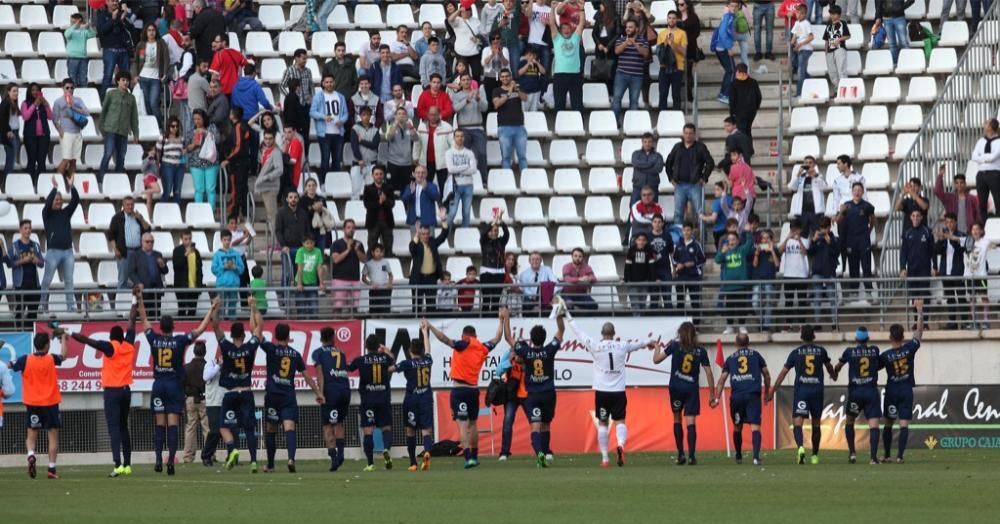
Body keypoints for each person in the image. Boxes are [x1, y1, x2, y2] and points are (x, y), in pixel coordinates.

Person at [54, 305, 138, 477]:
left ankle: (117, 465)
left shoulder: (110, 347)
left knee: (113, 428)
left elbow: (87, 341)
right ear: (122, 337)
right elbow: (132, 322)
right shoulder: (128, 345)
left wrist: (68, 332)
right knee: (123, 427)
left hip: (112, 392)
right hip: (126, 390)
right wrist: (134, 300)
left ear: (111, 337)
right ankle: (128, 464)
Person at [139, 293, 216, 475]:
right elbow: (200, 329)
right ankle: (171, 461)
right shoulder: (179, 341)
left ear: (160, 327)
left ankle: (158, 458)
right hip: (173, 386)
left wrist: (140, 299)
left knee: (159, 425)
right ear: (173, 328)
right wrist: (211, 310)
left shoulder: (154, 339)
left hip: (158, 385)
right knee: (173, 424)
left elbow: (143, 319)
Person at [567, 315, 657, 467]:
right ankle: (621, 444)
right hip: (618, 392)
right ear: (613, 334)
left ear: (602, 334)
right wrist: (650, 342)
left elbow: (579, 333)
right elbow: (639, 344)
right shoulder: (622, 346)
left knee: (603, 423)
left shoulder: (595, 345)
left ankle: (605, 458)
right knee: (620, 421)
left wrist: (569, 318)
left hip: (602, 392)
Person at [426, 310, 506, 468]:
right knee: (473, 424)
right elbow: (497, 339)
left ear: (465, 335)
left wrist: (430, 327)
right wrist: (501, 321)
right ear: (475, 335)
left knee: (462, 425)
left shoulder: (463, 344)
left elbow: (445, 339)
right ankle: (475, 456)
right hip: (473, 390)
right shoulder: (482, 347)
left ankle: (468, 457)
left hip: (459, 390)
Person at [502, 307, 565, 467]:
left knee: (535, 426)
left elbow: (508, 337)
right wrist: (558, 314)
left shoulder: (526, 352)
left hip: (533, 395)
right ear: (544, 339)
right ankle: (545, 452)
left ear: (531, 339)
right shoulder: (549, 350)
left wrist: (506, 318)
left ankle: (540, 453)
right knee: (546, 424)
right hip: (548, 393)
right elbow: (561, 330)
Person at [768, 325, 836, 465]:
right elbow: (829, 368)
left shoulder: (796, 353)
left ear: (801, 337)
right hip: (817, 391)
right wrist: (834, 375)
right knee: (816, 424)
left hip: (802, 391)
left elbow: (783, 373)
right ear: (814, 336)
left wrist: (773, 390)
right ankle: (815, 456)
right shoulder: (821, 351)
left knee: (797, 422)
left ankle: (800, 448)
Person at [261, 322, 323, 473]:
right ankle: (291, 459)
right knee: (289, 427)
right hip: (288, 396)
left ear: (275, 336)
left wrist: (254, 310)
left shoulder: (271, 349)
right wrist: (318, 393)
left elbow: (256, 334)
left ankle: (270, 465)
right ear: (289, 337)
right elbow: (307, 376)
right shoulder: (295, 354)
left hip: (273, 395)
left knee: (271, 429)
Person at [212, 296, 263, 472]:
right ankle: (254, 461)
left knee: (224, 426)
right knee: (250, 429)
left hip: (231, 392)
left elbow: (215, 326)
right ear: (243, 334)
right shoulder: (250, 348)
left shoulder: (226, 347)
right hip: (247, 392)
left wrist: (216, 308)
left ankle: (232, 449)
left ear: (232, 335)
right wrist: (253, 307)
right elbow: (259, 329)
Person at [652, 321, 715, 465]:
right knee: (691, 421)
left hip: (676, 388)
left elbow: (656, 360)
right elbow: (709, 373)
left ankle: (680, 455)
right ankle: (692, 456)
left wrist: (656, 347)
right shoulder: (701, 351)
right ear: (694, 335)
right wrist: (712, 394)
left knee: (677, 419)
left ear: (680, 333)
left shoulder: (674, 346)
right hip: (691, 389)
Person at [9, 331, 66, 478]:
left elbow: (8, 365)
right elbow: (64, 356)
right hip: (50, 403)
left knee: (31, 434)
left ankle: (31, 455)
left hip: (32, 403)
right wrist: (65, 338)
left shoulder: (25, 360)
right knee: (53, 436)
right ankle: (51, 470)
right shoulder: (51, 359)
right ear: (47, 345)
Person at [711, 333, 770, 465]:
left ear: (736, 344)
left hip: (737, 397)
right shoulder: (756, 355)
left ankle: (738, 455)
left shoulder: (731, 358)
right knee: (755, 427)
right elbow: (766, 374)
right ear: (748, 342)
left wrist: (717, 398)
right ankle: (755, 457)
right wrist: (766, 392)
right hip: (753, 395)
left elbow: (721, 381)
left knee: (737, 427)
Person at [833, 327, 883, 464]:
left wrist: (835, 373)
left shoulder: (850, 352)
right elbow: (878, 365)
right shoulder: (874, 350)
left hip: (855, 393)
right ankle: (873, 457)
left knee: (850, 421)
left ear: (856, 339)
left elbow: (838, 366)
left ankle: (852, 453)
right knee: (874, 425)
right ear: (867, 339)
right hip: (871, 392)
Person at [349, 336, 397, 472]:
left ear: (366, 346)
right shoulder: (384, 358)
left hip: (368, 400)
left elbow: (350, 368)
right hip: (383, 398)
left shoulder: (361, 360)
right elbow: (392, 358)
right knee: (386, 427)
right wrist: (385, 349)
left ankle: (370, 463)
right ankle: (386, 449)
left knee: (368, 430)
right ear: (378, 347)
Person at [310, 326, 349, 471]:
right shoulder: (342, 352)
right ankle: (342, 453)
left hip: (331, 392)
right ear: (333, 338)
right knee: (338, 423)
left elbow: (320, 375)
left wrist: (320, 393)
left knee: (327, 425)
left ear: (321, 338)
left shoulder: (317, 353)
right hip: (345, 391)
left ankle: (334, 457)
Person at [40, 176, 80, 313]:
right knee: (47, 281)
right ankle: (42, 305)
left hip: (68, 252)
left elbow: (76, 201)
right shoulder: (47, 213)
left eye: (60, 200)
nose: (58, 202)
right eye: (56, 200)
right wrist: (55, 188)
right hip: (53, 252)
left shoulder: (65, 212)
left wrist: (72, 186)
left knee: (69, 281)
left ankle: (71, 307)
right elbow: (48, 203)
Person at [666, 124, 715, 225]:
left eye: (690, 133)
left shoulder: (700, 147)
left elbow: (710, 162)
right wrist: (671, 178)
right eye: (686, 133)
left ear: (694, 134)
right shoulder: (677, 147)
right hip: (679, 185)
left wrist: (703, 178)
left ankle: (703, 237)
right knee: (678, 213)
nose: (688, 135)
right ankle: (678, 237)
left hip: (695, 185)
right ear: (683, 134)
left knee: (700, 213)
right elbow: (668, 162)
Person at [98, 72, 140, 184]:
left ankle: (118, 182)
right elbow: (104, 111)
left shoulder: (131, 98)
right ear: (117, 81)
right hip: (110, 129)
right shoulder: (111, 94)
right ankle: (101, 180)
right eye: (123, 80)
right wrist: (101, 127)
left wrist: (136, 133)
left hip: (123, 131)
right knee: (108, 153)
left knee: (121, 157)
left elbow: (134, 117)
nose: (125, 82)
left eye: (127, 80)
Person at [839, 182, 876, 303]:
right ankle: (854, 292)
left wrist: (868, 231)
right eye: (855, 190)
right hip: (851, 240)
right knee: (853, 267)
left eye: (859, 190)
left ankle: (869, 292)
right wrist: (840, 212)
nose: (857, 192)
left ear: (862, 192)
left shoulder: (867, 206)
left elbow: (873, 220)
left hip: (863, 240)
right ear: (852, 191)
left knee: (866, 267)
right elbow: (839, 222)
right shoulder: (846, 206)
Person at [310, 74, 349, 181]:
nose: (329, 84)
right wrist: (323, 117)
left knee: (337, 160)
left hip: (338, 133)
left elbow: (346, 113)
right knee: (325, 160)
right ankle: (323, 182)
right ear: (323, 83)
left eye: (331, 82)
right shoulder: (318, 97)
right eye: (326, 82)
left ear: (334, 82)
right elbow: (312, 112)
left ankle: (336, 182)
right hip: (324, 133)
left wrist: (342, 121)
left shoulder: (341, 96)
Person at [275, 190, 310, 309]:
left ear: (298, 199)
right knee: (287, 274)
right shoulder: (281, 212)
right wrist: (283, 245)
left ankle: (299, 303)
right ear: (287, 199)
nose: (293, 199)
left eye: (295, 197)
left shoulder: (303, 213)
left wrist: (306, 246)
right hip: (287, 249)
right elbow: (278, 231)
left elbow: (307, 231)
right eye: (291, 197)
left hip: (301, 249)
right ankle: (284, 300)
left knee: (299, 275)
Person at [451, 74, 489, 182]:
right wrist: (466, 101)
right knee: (463, 154)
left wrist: (477, 99)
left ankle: (484, 180)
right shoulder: (456, 95)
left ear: (471, 81)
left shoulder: (479, 92)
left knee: (482, 153)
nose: (466, 82)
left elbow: (485, 108)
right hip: (463, 129)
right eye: (463, 80)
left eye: (468, 79)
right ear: (460, 83)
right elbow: (455, 109)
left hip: (478, 127)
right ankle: (463, 178)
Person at [7, 220, 44, 329]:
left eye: (29, 228)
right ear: (20, 230)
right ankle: (19, 332)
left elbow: (42, 264)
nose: (28, 231)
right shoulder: (15, 246)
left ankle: (29, 332)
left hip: (34, 284)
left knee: (33, 311)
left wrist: (36, 260)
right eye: (25, 228)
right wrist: (22, 261)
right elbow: (10, 264)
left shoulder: (35, 245)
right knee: (20, 311)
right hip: (20, 284)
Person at [900, 209, 935, 323]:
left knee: (924, 295)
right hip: (912, 269)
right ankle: (916, 321)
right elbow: (903, 252)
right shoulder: (907, 233)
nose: (915, 218)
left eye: (917, 216)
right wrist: (903, 268)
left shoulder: (927, 232)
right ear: (910, 217)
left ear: (921, 218)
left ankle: (925, 322)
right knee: (914, 296)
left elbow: (932, 251)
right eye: (913, 216)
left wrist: (935, 267)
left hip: (924, 269)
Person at [716, 229, 754, 334]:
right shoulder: (725, 252)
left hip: (741, 285)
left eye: (733, 239)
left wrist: (748, 232)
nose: (731, 242)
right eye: (729, 240)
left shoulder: (741, 250)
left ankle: (742, 326)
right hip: (729, 286)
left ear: (737, 241)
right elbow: (717, 260)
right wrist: (722, 252)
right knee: (729, 308)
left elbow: (749, 244)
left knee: (742, 306)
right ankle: (729, 327)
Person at [549, 3, 585, 111]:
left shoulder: (576, 37)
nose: (566, 30)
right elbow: (551, 23)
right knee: (559, 105)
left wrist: (582, 9)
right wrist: (552, 9)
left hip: (575, 76)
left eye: (568, 27)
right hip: (560, 76)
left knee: (577, 105)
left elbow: (582, 23)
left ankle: (579, 126)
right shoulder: (557, 39)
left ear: (571, 29)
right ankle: (559, 126)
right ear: (560, 30)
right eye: (563, 28)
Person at [51, 79, 89, 183]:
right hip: (66, 133)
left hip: (77, 132)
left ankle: (71, 184)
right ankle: (56, 183)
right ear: (62, 88)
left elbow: (87, 112)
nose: (69, 90)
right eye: (67, 87)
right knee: (66, 159)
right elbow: (54, 119)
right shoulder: (58, 101)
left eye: (72, 88)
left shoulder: (78, 100)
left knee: (73, 161)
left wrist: (73, 107)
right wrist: (60, 130)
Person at [132, 24, 170, 128]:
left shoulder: (161, 43)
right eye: (149, 30)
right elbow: (136, 61)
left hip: (156, 78)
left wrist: (165, 74)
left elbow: (166, 59)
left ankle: (159, 126)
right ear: (146, 32)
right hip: (143, 77)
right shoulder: (141, 44)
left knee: (154, 103)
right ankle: (150, 127)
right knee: (147, 103)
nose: (151, 32)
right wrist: (135, 75)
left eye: (153, 30)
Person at [612, 19, 652, 118]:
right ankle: (615, 123)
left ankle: (632, 124)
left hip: (637, 76)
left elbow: (646, 54)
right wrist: (625, 43)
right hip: (621, 74)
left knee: (634, 101)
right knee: (616, 98)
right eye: (627, 27)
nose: (628, 29)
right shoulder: (620, 40)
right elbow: (616, 51)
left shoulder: (643, 41)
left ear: (636, 29)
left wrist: (635, 44)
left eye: (630, 27)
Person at [95, 0, 134, 97]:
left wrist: (123, 18)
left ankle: (126, 100)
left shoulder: (122, 14)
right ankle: (104, 102)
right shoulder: (102, 14)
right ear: (107, 2)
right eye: (112, 1)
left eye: (116, 1)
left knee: (125, 78)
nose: (115, 3)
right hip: (110, 50)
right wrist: (112, 19)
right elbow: (102, 31)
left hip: (123, 50)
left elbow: (131, 29)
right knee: (108, 77)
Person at [493, 69, 529, 173]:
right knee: (506, 156)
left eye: (507, 76)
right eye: (503, 76)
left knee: (522, 156)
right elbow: (497, 104)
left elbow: (525, 98)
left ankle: (526, 181)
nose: (505, 78)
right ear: (500, 78)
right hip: (504, 127)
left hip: (519, 127)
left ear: (511, 77)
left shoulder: (517, 88)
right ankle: (506, 182)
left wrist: (516, 90)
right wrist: (509, 92)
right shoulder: (497, 91)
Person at [409, 222, 450, 313]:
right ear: (420, 234)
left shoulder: (432, 242)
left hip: (431, 278)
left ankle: (430, 325)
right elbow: (412, 249)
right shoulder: (416, 244)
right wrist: (416, 235)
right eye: (423, 234)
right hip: (418, 279)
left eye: (427, 233)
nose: (426, 236)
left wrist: (444, 222)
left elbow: (443, 236)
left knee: (431, 307)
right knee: (416, 307)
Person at [935, 213, 967, 330]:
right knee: (950, 297)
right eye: (947, 222)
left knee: (961, 297)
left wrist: (952, 239)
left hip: (957, 272)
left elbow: (961, 250)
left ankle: (965, 321)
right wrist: (939, 241)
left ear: (955, 222)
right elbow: (936, 251)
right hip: (945, 272)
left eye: (951, 222)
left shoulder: (961, 235)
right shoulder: (943, 237)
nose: (949, 225)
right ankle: (952, 322)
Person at [127, 232, 169, 319]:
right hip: (143, 291)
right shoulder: (135, 255)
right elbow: (131, 272)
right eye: (147, 241)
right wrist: (138, 282)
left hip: (156, 290)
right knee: (142, 315)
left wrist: (162, 265)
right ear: (142, 242)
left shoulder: (158, 254)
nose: (150, 243)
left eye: (152, 242)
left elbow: (165, 271)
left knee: (155, 315)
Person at [329, 220, 367, 317]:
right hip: (339, 280)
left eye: (353, 228)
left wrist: (356, 250)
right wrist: (348, 249)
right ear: (343, 229)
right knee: (338, 308)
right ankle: (336, 328)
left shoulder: (358, 244)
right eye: (348, 227)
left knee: (354, 309)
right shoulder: (336, 244)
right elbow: (336, 260)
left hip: (355, 280)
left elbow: (364, 260)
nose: (351, 230)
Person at [180, 341, 209, 464]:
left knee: (190, 428)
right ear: (205, 352)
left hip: (190, 399)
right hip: (204, 398)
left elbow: (181, 385)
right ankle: (209, 454)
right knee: (207, 428)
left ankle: (188, 456)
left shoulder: (186, 367)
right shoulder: (208, 366)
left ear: (194, 352)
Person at [809, 217, 840, 329]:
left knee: (832, 298)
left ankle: (834, 323)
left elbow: (836, 253)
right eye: (821, 228)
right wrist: (813, 240)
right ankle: (817, 323)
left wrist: (830, 243)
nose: (823, 230)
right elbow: (809, 253)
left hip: (829, 271)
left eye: (825, 228)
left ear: (829, 227)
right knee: (817, 299)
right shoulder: (817, 239)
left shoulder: (835, 239)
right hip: (817, 271)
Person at [414, 106, 455, 190]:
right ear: (428, 115)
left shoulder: (447, 127)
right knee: (426, 185)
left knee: (443, 186)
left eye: (435, 115)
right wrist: (415, 157)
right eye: (431, 114)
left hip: (442, 162)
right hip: (426, 162)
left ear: (439, 115)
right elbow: (417, 143)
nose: (433, 117)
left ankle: (444, 202)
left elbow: (453, 145)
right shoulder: (421, 126)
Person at [654, 11, 688, 111]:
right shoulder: (662, 33)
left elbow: (684, 52)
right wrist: (665, 43)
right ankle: (662, 120)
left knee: (676, 95)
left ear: (676, 20)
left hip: (677, 68)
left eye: (674, 18)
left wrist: (673, 43)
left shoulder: (682, 33)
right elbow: (659, 52)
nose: (671, 20)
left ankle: (676, 120)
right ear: (667, 19)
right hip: (664, 67)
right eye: (670, 18)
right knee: (663, 95)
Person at [445, 129, 478, 230]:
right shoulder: (449, 153)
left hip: (468, 185)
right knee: (452, 212)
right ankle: (445, 234)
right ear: (454, 138)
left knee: (466, 212)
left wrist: (458, 169)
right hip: (455, 185)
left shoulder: (469, 153)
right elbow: (451, 169)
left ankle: (464, 235)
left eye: (461, 136)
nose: (460, 138)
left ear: (464, 138)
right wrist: (466, 166)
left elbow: (473, 170)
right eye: (457, 136)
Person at [934, 165, 980, 234]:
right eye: (957, 183)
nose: (959, 185)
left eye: (961, 182)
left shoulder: (972, 198)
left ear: (965, 184)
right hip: (953, 232)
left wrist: (976, 230)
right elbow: (938, 191)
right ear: (954, 185)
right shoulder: (949, 198)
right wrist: (940, 175)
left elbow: (978, 215)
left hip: (969, 233)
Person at [788, 156, 826, 237]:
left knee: (817, 235)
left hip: (815, 212)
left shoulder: (819, 176)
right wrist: (798, 174)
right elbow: (791, 187)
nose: (808, 165)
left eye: (810, 163)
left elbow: (824, 187)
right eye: (806, 163)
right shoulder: (800, 177)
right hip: (802, 212)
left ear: (814, 165)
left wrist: (814, 175)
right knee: (802, 235)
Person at [479, 214, 510, 312]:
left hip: (499, 272)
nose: (494, 232)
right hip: (486, 273)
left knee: (496, 300)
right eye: (491, 230)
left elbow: (507, 234)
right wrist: (492, 222)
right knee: (487, 299)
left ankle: (494, 319)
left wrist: (501, 222)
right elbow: (483, 234)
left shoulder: (501, 241)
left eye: (496, 230)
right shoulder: (484, 241)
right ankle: (484, 319)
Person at [20, 84, 52, 180]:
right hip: (30, 136)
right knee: (31, 161)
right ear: (29, 92)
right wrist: (34, 105)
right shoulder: (25, 103)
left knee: (42, 161)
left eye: (37, 90)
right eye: (33, 90)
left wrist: (46, 104)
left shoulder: (43, 103)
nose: (35, 92)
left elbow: (50, 116)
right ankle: (30, 183)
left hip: (44, 136)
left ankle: (42, 183)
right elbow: (25, 116)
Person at [213, 229, 245, 319]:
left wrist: (235, 268)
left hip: (234, 284)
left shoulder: (236, 254)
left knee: (232, 308)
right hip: (221, 285)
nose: (227, 242)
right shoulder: (217, 254)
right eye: (225, 240)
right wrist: (224, 267)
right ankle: (221, 326)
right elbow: (214, 269)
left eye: (228, 240)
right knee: (221, 308)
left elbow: (242, 269)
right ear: (221, 240)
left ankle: (232, 325)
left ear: (231, 240)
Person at [363, 167, 396, 255]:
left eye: (380, 174)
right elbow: (367, 205)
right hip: (373, 222)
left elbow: (392, 204)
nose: (379, 176)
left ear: (383, 175)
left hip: (387, 221)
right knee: (371, 247)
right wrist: (379, 202)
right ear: (373, 175)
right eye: (376, 174)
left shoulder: (389, 187)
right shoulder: (368, 188)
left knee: (388, 247)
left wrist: (385, 201)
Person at [171, 230, 203, 319]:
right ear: (181, 239)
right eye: (185, 239)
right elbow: (177, 266)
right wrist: (185, 255)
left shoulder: (196, 252)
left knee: (192, 312)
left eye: (189, 238)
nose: (188, 241)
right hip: (181, 285)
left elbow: (199, 269)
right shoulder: (177, 251)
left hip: (194, 286)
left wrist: (199, 284)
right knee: (182, 310)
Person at [751, 229, 779, 332]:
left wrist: (772, 251)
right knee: (755, 302)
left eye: (768, 238)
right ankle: (761, 321)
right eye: (763, 238)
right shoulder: (756, 250)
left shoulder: (774, 250)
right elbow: (754, 265)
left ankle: (766, 326)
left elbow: (777, 265)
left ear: (771, 240)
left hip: (770, 279)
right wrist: (757, 253)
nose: (765, 240)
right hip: (757, 279)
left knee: (768, 302)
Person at [972, 118, 1000, 221]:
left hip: (994, 173)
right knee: (982, 203)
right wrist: (986, 159)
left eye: (986, 124)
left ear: (991, 128)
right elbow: (974, 156)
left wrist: (982, 158)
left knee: (998, 200)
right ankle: (983, 224)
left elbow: (994, 157)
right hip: (981, 174)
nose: (984, 126)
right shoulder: (981, 141)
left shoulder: (999, 142)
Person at [385, 108, 417, 194]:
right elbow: (388, 138)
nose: (401, 116)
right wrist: (395, 125)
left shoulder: (409, 127)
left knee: (406, 188)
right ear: (395, 116)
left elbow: (416, 138)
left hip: (406, 163)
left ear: (406, 116)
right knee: (390, 187)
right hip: (393, 162)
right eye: (399, 114)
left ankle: (405, 206)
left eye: (403, 114)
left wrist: (412, 128)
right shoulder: (391, 126)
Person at [350, 106, 381, 198]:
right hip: (357, 164)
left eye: (368, 115)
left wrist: (362, 141)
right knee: (355, 190)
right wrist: (359, 159)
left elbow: (374, 145)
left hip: (371, 164)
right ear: (360, 116)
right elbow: (354, 145)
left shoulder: (375, 130)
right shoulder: (355, 128)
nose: (366, 117)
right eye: (364, 115)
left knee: (371, 191)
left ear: (371, 116)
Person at [255, 130, 283, 229]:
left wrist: (266, 177)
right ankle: (273, 241)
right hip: (265, 186)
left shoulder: (276, 152)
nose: (268, 141)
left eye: (270, 139)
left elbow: (279, 170)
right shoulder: (264, 151)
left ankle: (275, 242)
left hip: (271, 187)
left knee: (272, 215)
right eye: (266, 138)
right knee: (270, 215)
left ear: (274, 139)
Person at [402, 166, 442, 234]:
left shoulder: (432, 186)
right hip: (414, 221)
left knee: (429, 243)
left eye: (423, 173)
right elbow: (404, 199)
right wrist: (411, 192)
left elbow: (436, 197)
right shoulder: (410, 186)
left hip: (428, 221)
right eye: (418, 173)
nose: (420, 175)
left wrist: (426, 189)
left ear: (426, 174)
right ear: (414, 174)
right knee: (415, 243)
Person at [711, 2, 737, 104]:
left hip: (721, 47)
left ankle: (723, 94)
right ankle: (725, 95)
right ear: (727, 6)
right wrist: (729, 47)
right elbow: (722, 32)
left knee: (729, 71)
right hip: (723, 47)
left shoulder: (729, 15)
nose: (734, 8)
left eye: (736, 6)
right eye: (732, 6)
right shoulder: (728, 17)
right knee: (731, 71)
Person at [876, 0, 915, 65]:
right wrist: (878, 16)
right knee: (892, 44)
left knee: (904, 42)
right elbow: (878, 2)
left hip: (899, 18)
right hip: (886, 19)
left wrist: (901, 8)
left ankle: (909, 63)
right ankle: (895, 64)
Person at [630, 133, 665, 206]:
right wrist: (651, 164)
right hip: (638, 187)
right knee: (633, 210)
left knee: (653, 211)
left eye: (649, 142)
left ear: (653, 143)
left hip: (652, 187)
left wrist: (641, 168)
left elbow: (658, 169)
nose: (647, 144)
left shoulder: (658, 156)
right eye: (645, 142)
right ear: (642, 143)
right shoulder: (636, 154)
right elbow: (636, 164)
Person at [157, 117, 186, 204]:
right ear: (168, 126)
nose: (175, 128)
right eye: (173, 126)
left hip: (179, 166)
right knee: (168, 189)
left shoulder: (181, 138)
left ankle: (176, 211)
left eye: (177, 126)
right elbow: (158, 152)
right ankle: (162, 210)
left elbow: (183, 152)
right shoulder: (163, 138)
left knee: (177, 190)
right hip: (167, 165)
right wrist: (158, 165)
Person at [209, 33, 247, 97]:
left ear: (224, 42)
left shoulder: (218, 55)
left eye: (217, 42)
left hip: (223, 90)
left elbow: (214, 76)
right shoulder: (237, 53)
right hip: (236, 89)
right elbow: (246, 66)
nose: (215, 44)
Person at [729, 64, 762, 137]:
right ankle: (748, 146)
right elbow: (759, 97)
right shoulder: (753, 82)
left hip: (739, 112)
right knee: (748, 130)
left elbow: (732, 100)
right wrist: (755, 108)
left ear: (737, 71)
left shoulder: (734, 84)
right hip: (751, 112)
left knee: (741, 133)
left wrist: (732, 114)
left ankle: (744, 147)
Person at [64, 13, 96, 88]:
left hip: (83, 58)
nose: (73, 24)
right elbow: (67, 34)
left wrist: (89, 27)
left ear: (81, 22)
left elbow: (93, 34)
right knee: (72, 79)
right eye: (72, 22)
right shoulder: (70, 31)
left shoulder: (84, 32)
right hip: (72, 58)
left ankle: (83, 95)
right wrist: (75, 25)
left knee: (83, 79)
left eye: (74, 22)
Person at [823, 6, 851, 90]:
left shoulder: (843, 23)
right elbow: (826, 39)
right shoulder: (828, 24)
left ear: (839, 15)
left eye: (834, 14)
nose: (832, 16)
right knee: (832, 72)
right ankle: (837, 89)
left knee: (841, 70)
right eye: (831, 14)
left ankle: (844, 90)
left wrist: (839, 40)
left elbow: (848, 36)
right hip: (829, 51)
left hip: (840, 49)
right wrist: (826, 51)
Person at [789, 4, 813, 97]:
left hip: (806, 50)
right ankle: (811, 86)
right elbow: (795, 35)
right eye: (797, 13)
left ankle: (800, 93)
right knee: (804, 72)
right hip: (799, 50)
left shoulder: (806, 23)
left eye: (800, 13)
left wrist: (800, 44)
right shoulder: (797, 23)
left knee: (801, 72)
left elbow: (811, 37)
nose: (798, 15)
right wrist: (793, 43)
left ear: (804, 14)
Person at [0, 84, 20, 185]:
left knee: (11, 160)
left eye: (17, 91)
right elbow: (2, 119)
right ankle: (5, 183)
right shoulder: (5, 103)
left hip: (15, 132)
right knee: (10, 161)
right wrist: (8, 131)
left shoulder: (13, 102)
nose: (16, 93)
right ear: (8, 92)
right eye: (14, 91)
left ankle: (6, 182)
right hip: (10, 133)